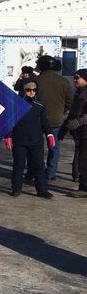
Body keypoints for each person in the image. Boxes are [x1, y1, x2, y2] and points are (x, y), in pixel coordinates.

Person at [4, 78, 54, 199]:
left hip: (36, 140)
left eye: (34, 90)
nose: (32, 92)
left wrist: (49, 134)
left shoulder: (39, 105)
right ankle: (16, 189)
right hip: (20, 140)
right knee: (19, 165)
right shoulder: (15, 105)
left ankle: (42, 190)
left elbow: (44, 122)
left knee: (39, 166)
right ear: (23, 90)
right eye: (28, 90)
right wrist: (8, 135)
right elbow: (10, 122)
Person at [33, 55, 73, 181]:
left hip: (37, 119)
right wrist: (62, 110)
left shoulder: (35, 81)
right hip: (56, 119)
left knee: (35, 147)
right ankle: (51, 173)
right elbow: (70, 101)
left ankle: (35, 170)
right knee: (54, 147)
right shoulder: (64, 82)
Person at [58, 69, 87, 198]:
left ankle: (85, 188)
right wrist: (63, 129)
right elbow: (72, 113)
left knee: (84, 161)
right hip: (79, 133)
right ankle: (83, 185)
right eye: (75, 77)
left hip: (85, 131)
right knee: (81, 160)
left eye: (77, 78)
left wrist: (79, 121)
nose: (75, 80)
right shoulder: (78, 94)